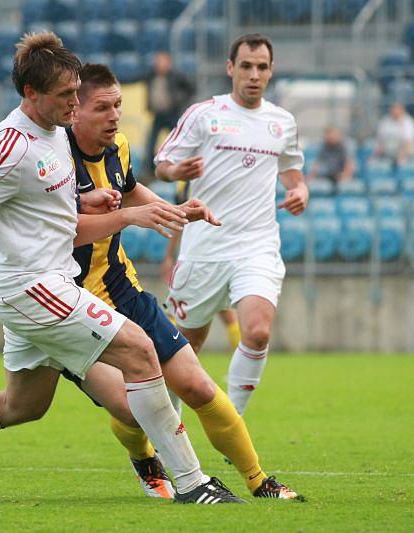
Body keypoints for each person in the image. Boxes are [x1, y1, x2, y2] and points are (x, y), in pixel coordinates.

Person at [0, 32, 242, 505]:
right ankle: (193, 484)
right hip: (31, 287)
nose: (72, 102)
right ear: (31, 94)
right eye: (65, 95)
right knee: (140, 351)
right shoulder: (10, 145)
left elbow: (49, 212)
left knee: (22, 406)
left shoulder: (53, 133)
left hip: (46, 283)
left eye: (74, 91)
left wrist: (88, 200)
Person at [61, 63, 298, 500]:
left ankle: (259, 481)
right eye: (103, 107)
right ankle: (147, 461)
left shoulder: (121, 147)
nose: (115, 115)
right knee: (128, 410)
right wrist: (131, 216)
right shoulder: (52, 158)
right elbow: (61, 226)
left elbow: (131, 190)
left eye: (117, 105)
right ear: (74, 111)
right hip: (65, 303)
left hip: (122, 290)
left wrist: (176, 211)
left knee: (196, 384)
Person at [154, 34, 309, 419]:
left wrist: (300, 191)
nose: (254, 74)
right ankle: (165, 429)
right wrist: (178, 170)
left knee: (256, 332)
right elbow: (162, 165)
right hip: (204, 246)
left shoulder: (282, 123)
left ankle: (231, 421)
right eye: (246, 66)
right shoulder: (204, 115)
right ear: (230, 68)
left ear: (271, 71)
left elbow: (293, 173)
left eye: (262, 67)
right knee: (184, 347)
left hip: (257, 245)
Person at [161, 180, 242, 352]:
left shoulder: (191, 182)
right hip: (211, 253)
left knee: (176, 313)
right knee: (226, 316)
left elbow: (180, 220)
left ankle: (177, 364)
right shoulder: (187, 180)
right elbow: (181, 217)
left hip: (200, 257)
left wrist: (169, 254)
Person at [143, 51, 195, 176]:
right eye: (158, 62)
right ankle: (151, 171)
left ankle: (179, 166)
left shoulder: (176, 75)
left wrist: (178, 100)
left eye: (162, 62)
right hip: (158, 115)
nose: (159, 65)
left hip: (172, 114)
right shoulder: (151, 76)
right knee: (151, 142)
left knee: (177, 142)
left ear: (169, 63)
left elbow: (191, 88)